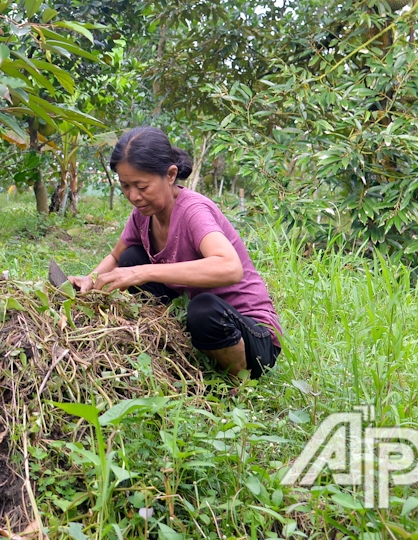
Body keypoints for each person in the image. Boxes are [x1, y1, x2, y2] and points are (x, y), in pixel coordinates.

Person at [70, 127, 283, 379]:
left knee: (203, 308)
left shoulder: (194, 212)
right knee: (130, 259)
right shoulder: (143, 215)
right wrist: (90, 279)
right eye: (125, 186)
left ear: (170, 175)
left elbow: (230, 268)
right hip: (196, 319)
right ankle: (176, 343)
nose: (133, 196)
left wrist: (141, 272)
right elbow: (117, 257)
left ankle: (238, 379)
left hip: (253, 337)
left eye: (141, 186)